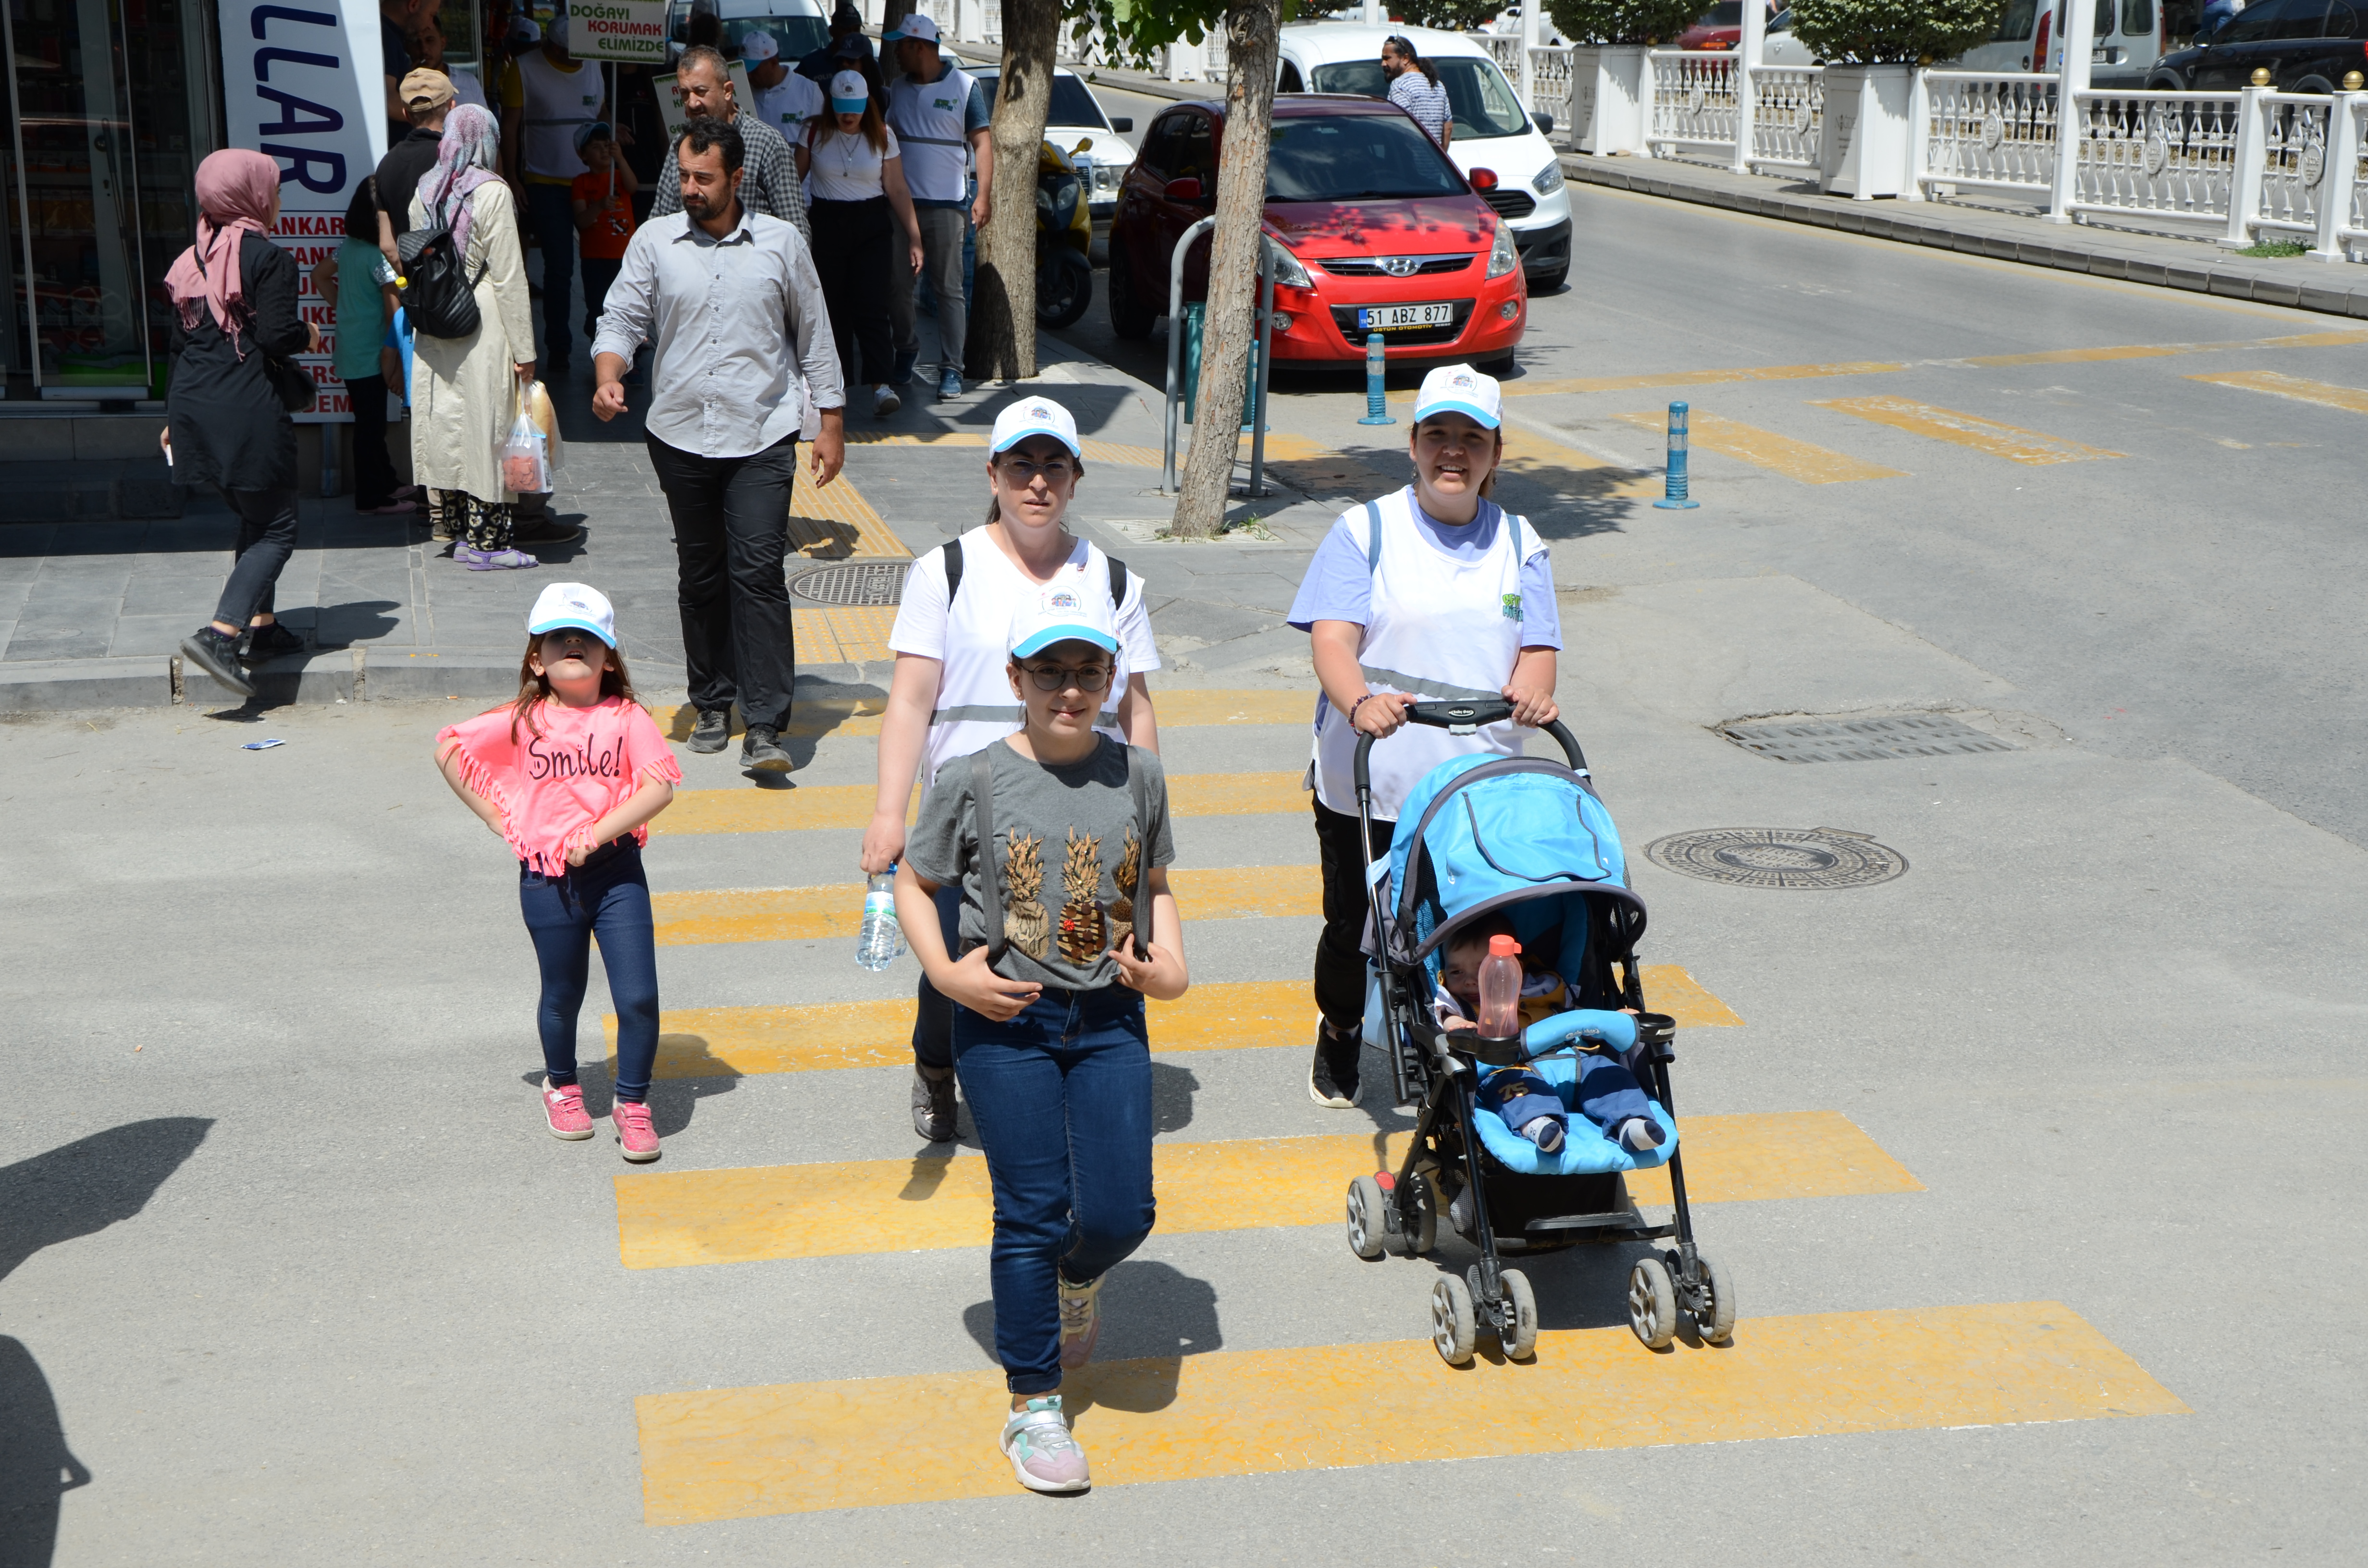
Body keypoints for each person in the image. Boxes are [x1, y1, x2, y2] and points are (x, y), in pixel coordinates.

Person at [894, 583, 1186, 1495]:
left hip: (1109, 1019)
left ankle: (1073, 1278)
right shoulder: (973, 776)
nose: (1070, 688)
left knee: (1118, 1213)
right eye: (1050, 671)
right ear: (1015, 675)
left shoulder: (1137, 771)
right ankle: (1034, 1404)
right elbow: (913, 878)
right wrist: (946, 976)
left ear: (1111, 677)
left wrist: (1170, 963)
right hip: (1004, 1020)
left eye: (1088, 670)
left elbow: (1159, 883)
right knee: (1027, 1210)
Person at [868, 397, 1161, 1144]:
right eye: (1022, 465)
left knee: (1075, 946)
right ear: (993, 474)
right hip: (968, 810)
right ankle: (937, 1063)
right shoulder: (948, 570)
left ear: (1076, 478)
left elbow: (1136, 709)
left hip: (1082, 799)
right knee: (956, 967)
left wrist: (1144, 808)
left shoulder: (1115, 581)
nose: (1038, 483)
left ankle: (1054, 1076)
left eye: (1054, 466)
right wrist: (888, 812)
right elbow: (910, 701)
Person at [1285, 363, 1560, 1109]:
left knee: (1480, 931)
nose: (1453, 451)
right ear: (1412, 444)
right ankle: (1340, 1030)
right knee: (1357, 930)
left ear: (1495, 454)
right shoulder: (1364, 531)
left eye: (1471, 438)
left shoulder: (1521, 541)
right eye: (1437, 434)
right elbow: (1333, 642)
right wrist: (1359, 702)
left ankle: (1479, 1056)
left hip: (1475, 786)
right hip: (1371, 775)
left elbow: (1538, 647)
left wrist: (1536, 686)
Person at [590, 116, 847, 774]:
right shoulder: (655, 241)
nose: (690, 188)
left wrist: (832, 420)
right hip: (678, 433)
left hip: (761, 433)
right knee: (701, 572)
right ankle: (711, 701)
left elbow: (813, 329)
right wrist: (609, 375)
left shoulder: (782, 244)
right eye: (683, 176)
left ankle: (765, 725)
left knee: (757, 573)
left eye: (703, 178)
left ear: (737, 179)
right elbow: (623, 315)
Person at [433, 582, 682, 1164]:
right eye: (557, 639)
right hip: (546, 880)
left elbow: (659, 787)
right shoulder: (523, 718)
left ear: (608, 657)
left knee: (639, 998)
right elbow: (448, 747)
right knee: (563, 993)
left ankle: (632, 1101)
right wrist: (497, 817)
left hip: (616, 873)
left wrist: (597, 834)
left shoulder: (627, 718)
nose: (572, 645)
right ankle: (563, 1086)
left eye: (586, 638)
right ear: (536, 660)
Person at [163, 149, 324, 699]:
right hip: (245, 409)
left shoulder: (190, 259)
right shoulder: (268, 258)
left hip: (194, 406)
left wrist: (170, 419)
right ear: (251, 197)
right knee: (278, 526)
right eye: (274, 191)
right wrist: (309, 336)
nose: (277, 201)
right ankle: (220, 635)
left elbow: (178, 347)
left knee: (254, 518)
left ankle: (262, 627)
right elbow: (279, 337)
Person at [409, 103, 540, 569]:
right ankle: (490, 544)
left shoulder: (425, 190)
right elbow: (507, 276)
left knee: (448, 426)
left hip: (436, 317)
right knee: (489, 428)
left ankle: (461, 531)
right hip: (482, 319)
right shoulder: (492, 194)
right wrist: (525, 350)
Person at [1431, 917, 1663, 1155]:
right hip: (1512, 1069)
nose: (1469, 981)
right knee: (1513, 1092)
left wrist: (1614, 1020)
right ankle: (1539, 1125)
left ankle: (1632, 1123)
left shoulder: (1543, 987)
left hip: (1573, 1062)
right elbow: (1447, 1017)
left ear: (1514, 967)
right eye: (1456, 971)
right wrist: (1458, 1025)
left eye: (1482, 970)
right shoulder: (1457, 1003)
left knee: (1610, 1074)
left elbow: (1578, 1019)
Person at [882, 12, 992, 402]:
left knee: (948, 288)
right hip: (902, 206)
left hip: (948, 204)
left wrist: (982, 195)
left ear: (920, 46)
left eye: (902, 45)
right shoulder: (897, 88)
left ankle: (952, 368)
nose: (896, 53)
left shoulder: (965, 86)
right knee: (898, 287)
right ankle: (907, 349)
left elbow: (982, 142)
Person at [805, 69, 923, 420]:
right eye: (842, 106)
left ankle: (880, 385)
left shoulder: (884, 136)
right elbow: (790, 176)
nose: (848, 114)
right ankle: (833, 387)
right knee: (831, 309)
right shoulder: (813, 132)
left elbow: (898, 189)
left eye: (854, 106)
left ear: (867, 104)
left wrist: (915, 238)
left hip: (871, 224)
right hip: (826, 222)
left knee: (872, 307)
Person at [499, 13, 606, 376]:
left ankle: (604, 339)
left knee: (602, 264)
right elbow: (510, 128)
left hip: (592, 179)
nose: (578, 60)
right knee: (560, 267)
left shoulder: (594, 64)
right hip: (546, 182)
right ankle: (559, 346)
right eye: (569, 53)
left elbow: (601, 112)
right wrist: (512, 178)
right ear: (552, 46)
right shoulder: (524, 69)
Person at [314, 178, 411, 516]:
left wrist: (342, 305)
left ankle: (387, 483)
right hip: (372, 352)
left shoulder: (348, 248)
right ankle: (371, 497)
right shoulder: (378, 258)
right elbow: (394, 312)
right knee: (370, 430)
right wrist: (396, 364)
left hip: (349, 350)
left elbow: (319, 274)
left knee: (369, 424)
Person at [651, 45, 811, 244]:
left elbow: (796, 233)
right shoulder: (681, 144)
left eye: (700, 92)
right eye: (685, 94)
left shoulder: (766, 143)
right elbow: (659, 223)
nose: (692, 103)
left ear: (727, 90)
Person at [375, 68, 453, 273]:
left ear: (406, 115)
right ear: (452, 108)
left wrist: (418, 283)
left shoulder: (386, 165)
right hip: (463, 292)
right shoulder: (457, 160)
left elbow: (387, 246)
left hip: (418, 294)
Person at [570, 121, 639, 343]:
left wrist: (620, 158)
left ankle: (632, 356)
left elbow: (633, 187)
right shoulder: (580, 182)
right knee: (597, 306)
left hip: (623, 255)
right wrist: (599, 205)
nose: (603, 151)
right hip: (594, 257)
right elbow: (581, 221)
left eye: (606, 145)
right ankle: (599, 349)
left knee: (627, 305)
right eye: (595, 147)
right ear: (583, 155)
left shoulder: (618, 175)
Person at [741, 26, 824, 149]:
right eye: (745, 69)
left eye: (754, 70)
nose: (748, 75)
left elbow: (820, 143)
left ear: (773, 63)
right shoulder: (740, 91)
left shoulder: (809, 91)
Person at [1381, 34, 1452, 150]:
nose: (1383, 64)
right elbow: (1448, 127)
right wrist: (1441, 158)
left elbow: (1402, 128)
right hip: (1435, 164)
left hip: (1411, 164)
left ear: (1405, 59)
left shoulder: (1401, 85)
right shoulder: (1438, 85)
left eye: (1387, 58)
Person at [408, 12, 490, 112]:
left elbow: (486, 125)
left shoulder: (468, 82)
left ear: (443, 43)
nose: (424, 49)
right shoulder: (404, 87)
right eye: (417, 42)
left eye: (430, 40)